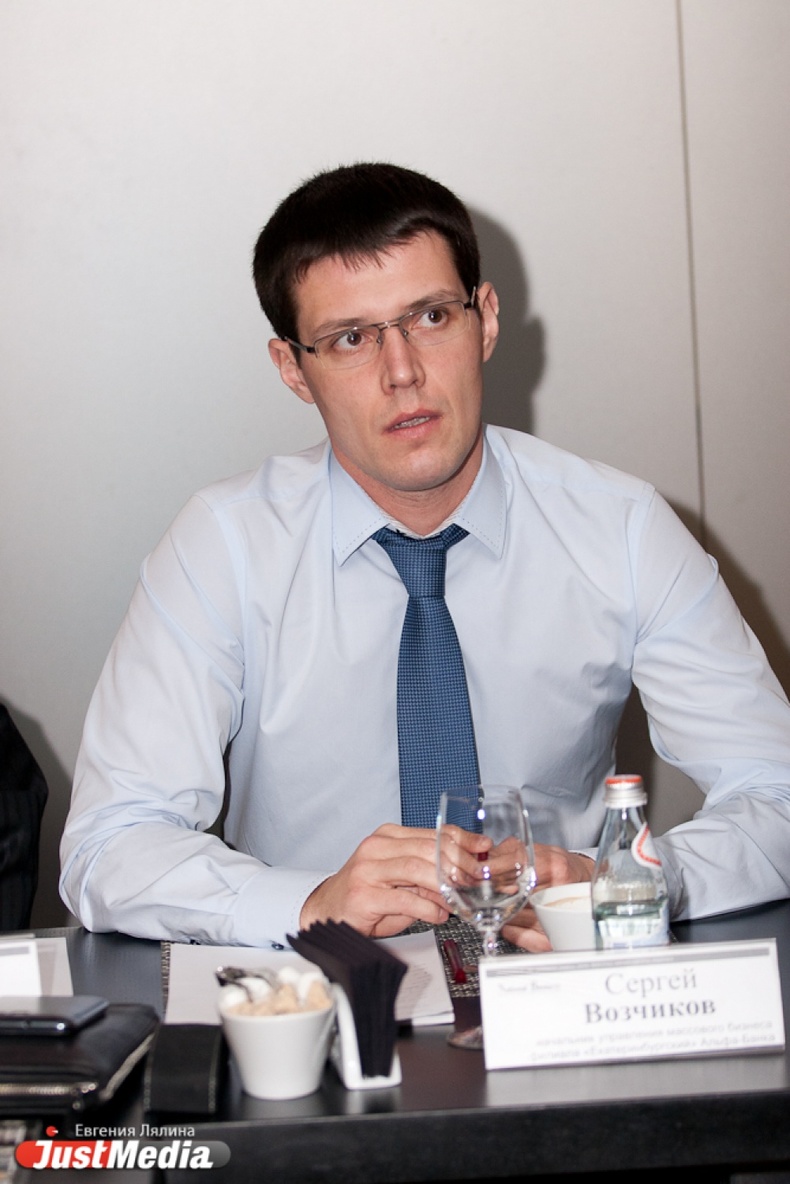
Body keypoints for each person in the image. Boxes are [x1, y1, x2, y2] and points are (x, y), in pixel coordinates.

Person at [60, 163, 790, 951]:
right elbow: (110, 843)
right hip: (316, 984)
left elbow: (777, 793)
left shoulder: (622, 528)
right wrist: (308, 901)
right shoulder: (224, 546)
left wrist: (616, 884)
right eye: (350, 339)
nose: (402, 372)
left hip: (560, 978)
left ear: (486, 320)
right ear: (292, 369)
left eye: (432, 317)